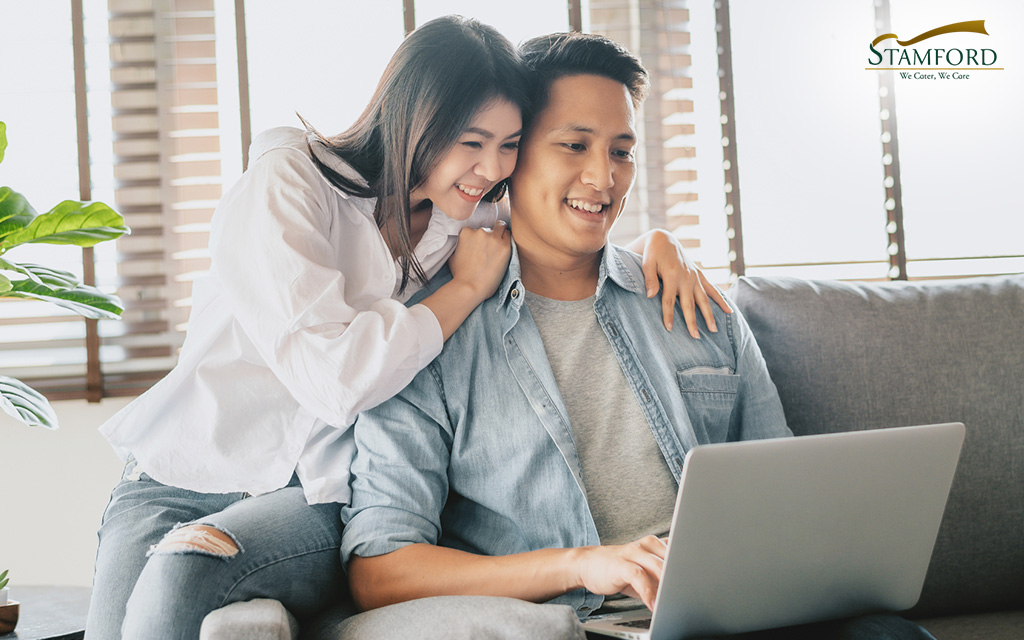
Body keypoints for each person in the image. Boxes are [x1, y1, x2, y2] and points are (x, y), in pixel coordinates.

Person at [85, 15, 722, 640]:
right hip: (189, 469)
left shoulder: (463, 208)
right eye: (472, 142)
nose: (492, 168)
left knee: (184, 576)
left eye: (508, 145)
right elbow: (336, 380)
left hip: (315, 491)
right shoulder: (288, 188)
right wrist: (466, 290)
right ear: (413, 122)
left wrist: (659, 246)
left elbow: (569, 218)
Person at [340, 32, 937, 640]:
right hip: (581, 625)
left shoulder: (699, 309)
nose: (603, 178)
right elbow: (381, 569)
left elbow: (785, 494)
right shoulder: (430, 337)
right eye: (575, 145)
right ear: (511, 157)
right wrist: (582, 564)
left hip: (738, 615)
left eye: (621, 152)